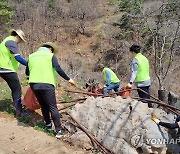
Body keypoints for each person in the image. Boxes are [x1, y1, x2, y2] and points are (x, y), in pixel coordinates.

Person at [26, 42, 75, 138]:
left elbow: (27, 72)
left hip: (34, 84)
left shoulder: (31, 56)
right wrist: (69, 79)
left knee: (43, 105)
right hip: (47, 84)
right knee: (52, 107)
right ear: (50, 48)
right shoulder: (50, 56)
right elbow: (58, 69)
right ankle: (59, 131)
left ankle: (48, 125)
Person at [0, 29, 27, 117]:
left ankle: (18, 109)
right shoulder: (11, 42)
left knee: (14, 89)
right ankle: (19, 112)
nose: (20, 42)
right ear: (18, 37)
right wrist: (29, 64)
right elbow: (18, 58)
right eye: (20, 40)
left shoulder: (6, 40)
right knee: (17, 90)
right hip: (7, 69)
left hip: (2, 68)